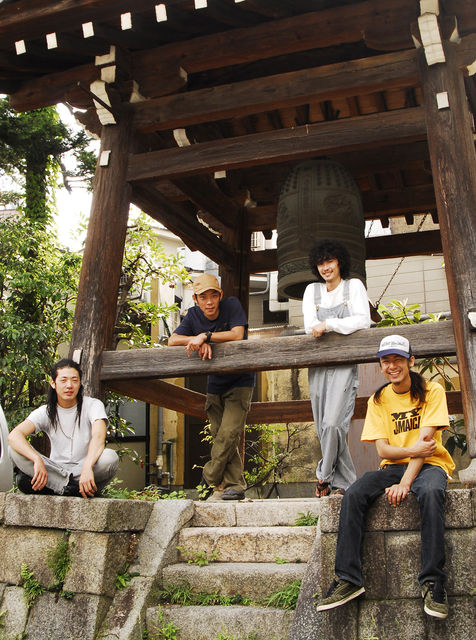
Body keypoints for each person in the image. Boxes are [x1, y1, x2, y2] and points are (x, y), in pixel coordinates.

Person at [316, 334, 455, 620]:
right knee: (354, 493)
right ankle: (348, 579)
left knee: (430, 493)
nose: (392, 366)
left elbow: (426, 447)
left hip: (430, 464)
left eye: (398, 360)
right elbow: (383, 450)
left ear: (411, 361)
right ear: (381, 365)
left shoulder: (432, 391)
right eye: (386, 361)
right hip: (392, 466)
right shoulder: (379, 399)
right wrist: (408, 454)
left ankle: (433, 582)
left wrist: (405, 483)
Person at [168, 273, 254, 501]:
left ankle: (208, 479)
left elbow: (237, 334)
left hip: (240, 381)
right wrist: (196, 339)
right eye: (203, 297)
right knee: (220, 436)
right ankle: (235, 485)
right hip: (214, 384)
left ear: (220, 296)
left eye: (213, 296)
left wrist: (206, 336)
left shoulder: (232, 306)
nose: (209, 302)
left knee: (228, 434)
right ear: (195, 299)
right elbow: (172, 340)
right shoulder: (193, 315)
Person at [302, 240, 370, 497]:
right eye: (321, 263)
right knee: (324, 428)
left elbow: (363, 321)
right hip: (318, 363)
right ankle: (346, 485)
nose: (326, 267)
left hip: (344, 364)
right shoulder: (312, 291)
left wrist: (329, 325)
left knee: (333, 423)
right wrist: (335, 325)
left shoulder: (354, 286)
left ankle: (323, 475)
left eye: (330, 261)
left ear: (339, 262)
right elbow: (310, 327)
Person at [8, 358, 119, 498]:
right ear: (53, 383)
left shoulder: (93, 405)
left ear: (80, 383)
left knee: (110, 458)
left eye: (74, 380)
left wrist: (87, 467)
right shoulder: (46, 411)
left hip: (84, 470)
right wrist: (36, 459)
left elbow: (98, 437)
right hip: (55, 470)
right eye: (63, 380)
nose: (69, 385)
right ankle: (71, 488)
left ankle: (58, 487)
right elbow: (14, 435)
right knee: (13, 450)